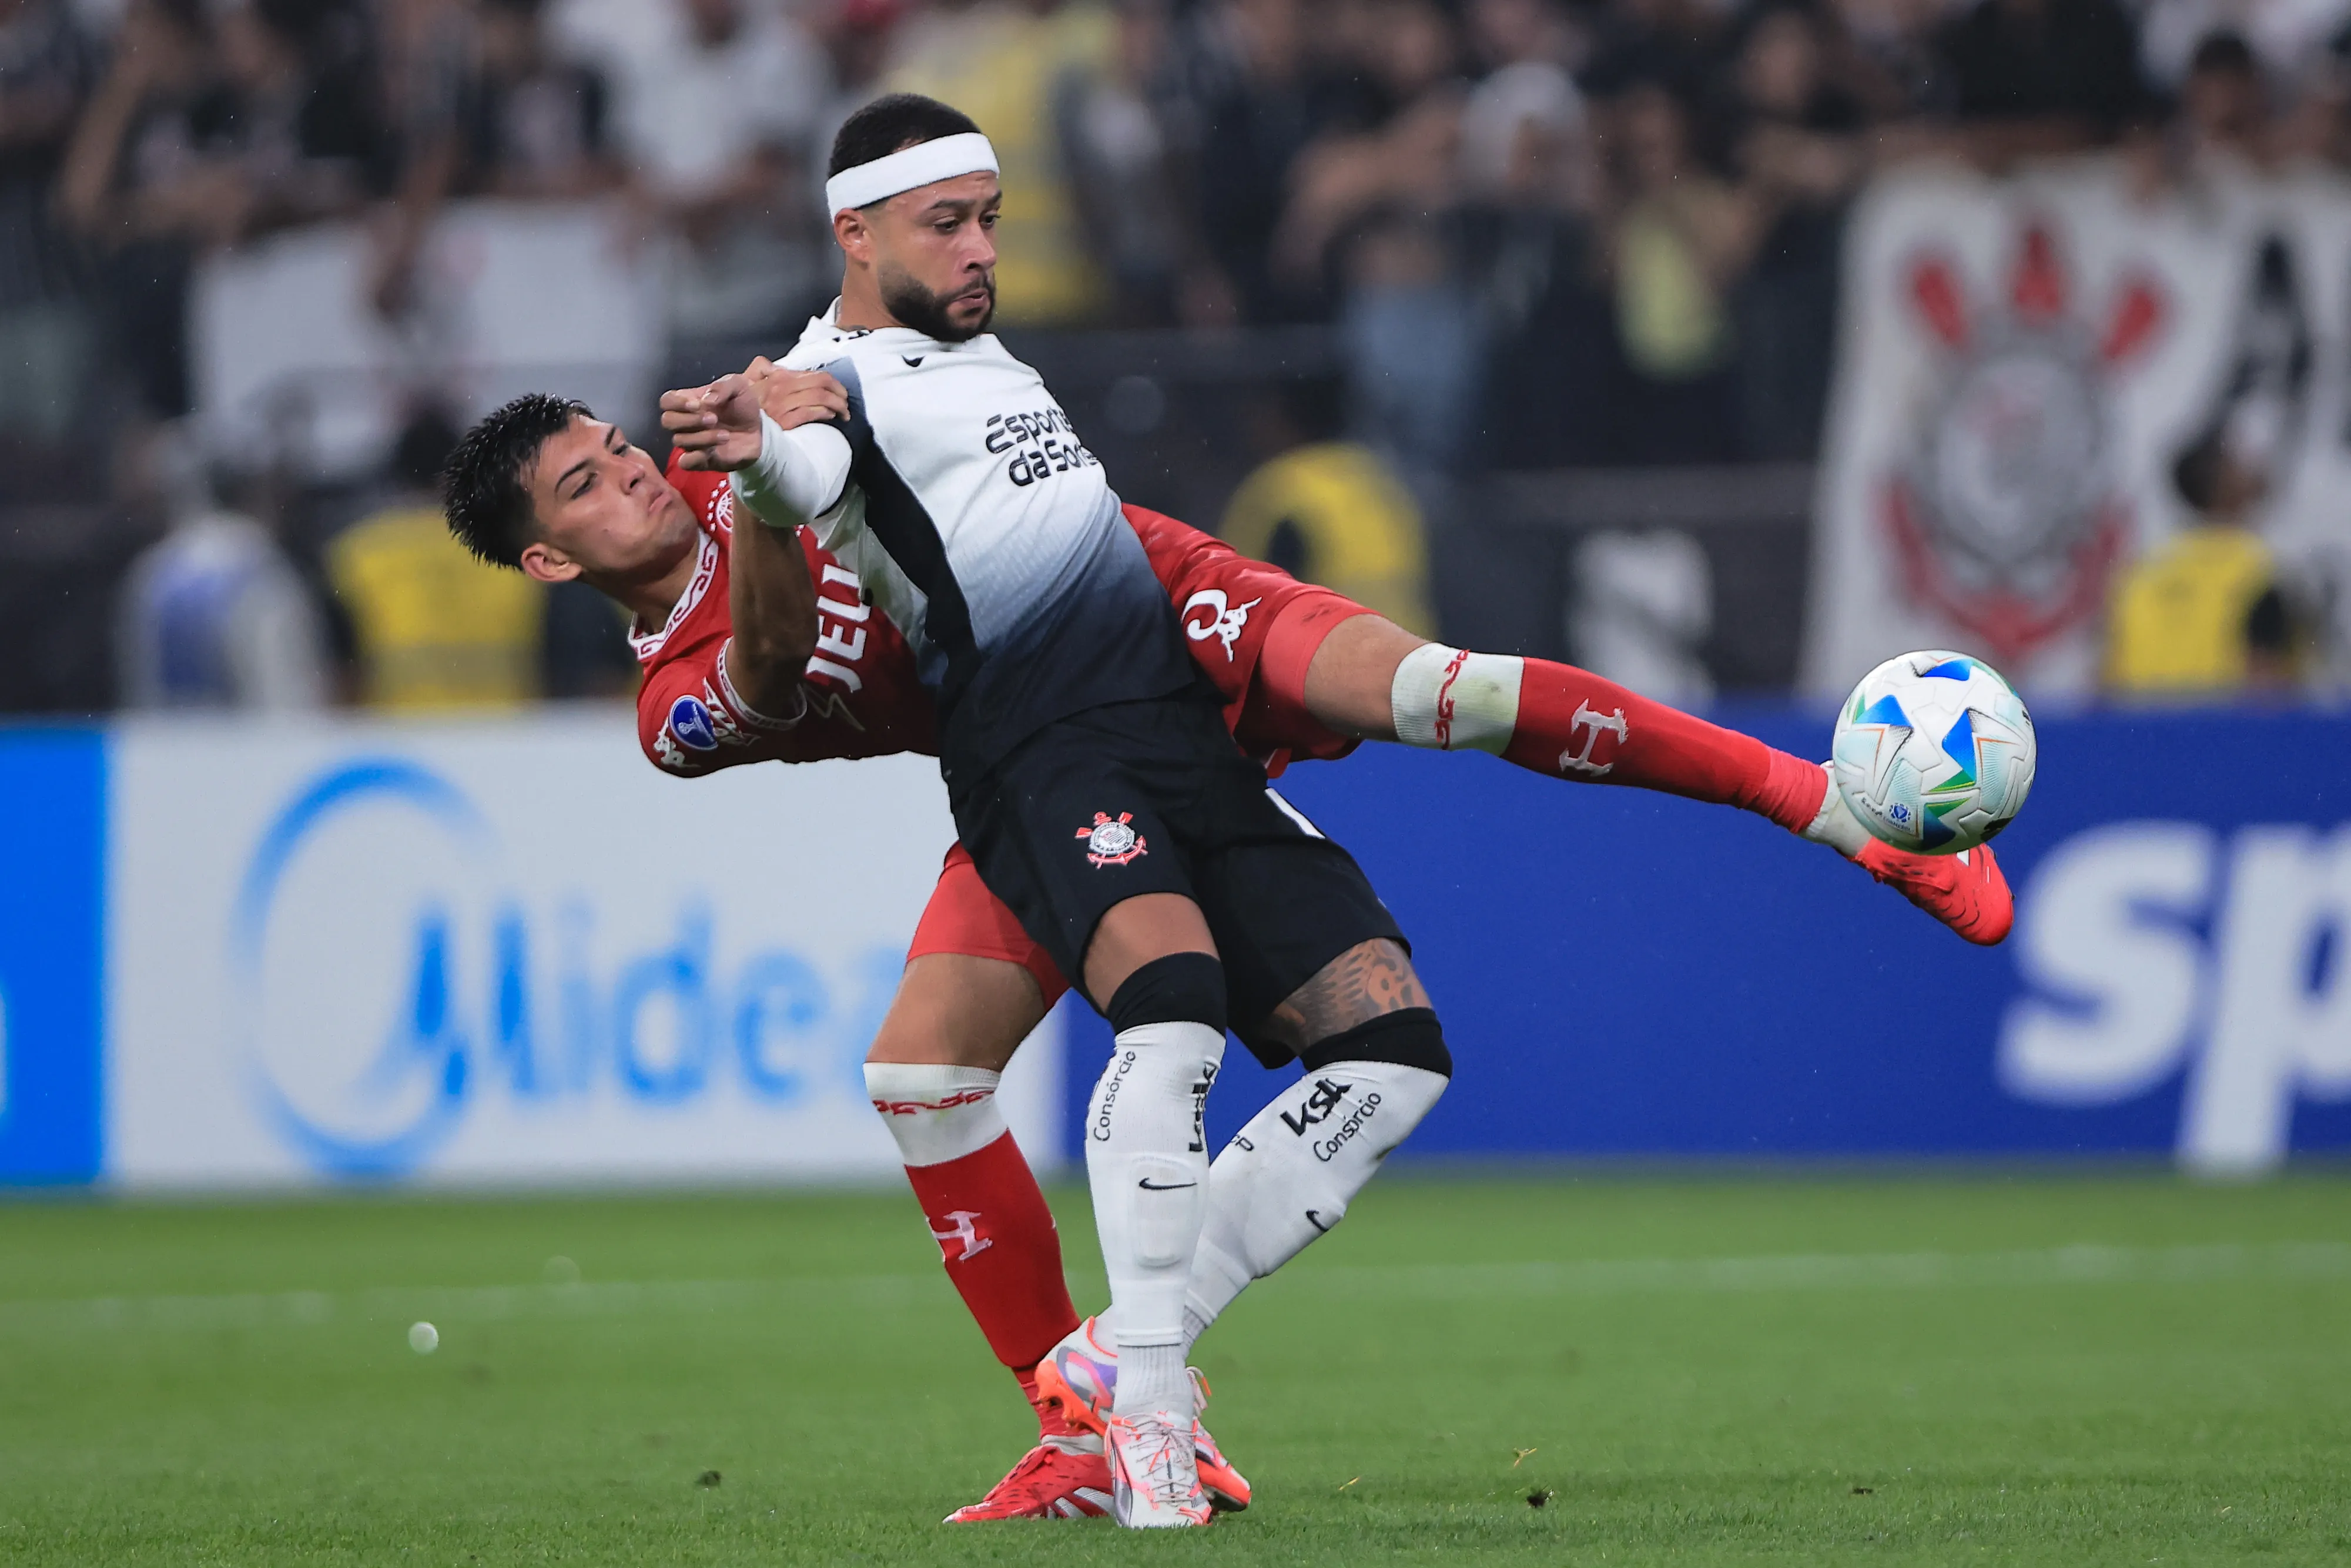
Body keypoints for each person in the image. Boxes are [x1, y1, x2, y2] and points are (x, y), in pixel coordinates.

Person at [440, 369, 2012, 1521]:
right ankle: (1083, 1416)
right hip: (1045, 762)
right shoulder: (677, 708)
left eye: (613, 449)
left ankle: (1832, 809)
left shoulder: (741, 449)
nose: (630, 477)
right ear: (551, 563)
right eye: (582, 488)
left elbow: (883, 395)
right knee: (921, 1074)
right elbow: (773, 669)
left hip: (1146, 602)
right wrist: (785, 479)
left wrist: (814, 407)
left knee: (1435, 692)